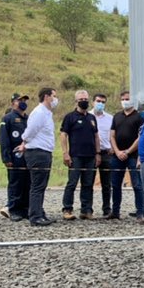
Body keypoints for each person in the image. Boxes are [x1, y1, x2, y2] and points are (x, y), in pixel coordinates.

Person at [16, 88, 59, 226]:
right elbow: (30, 131)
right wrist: (24, 142)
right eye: (54, 96)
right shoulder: (39, 112)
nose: (55, 99)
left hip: (44, 151)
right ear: (46, 97)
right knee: (37, 185)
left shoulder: (47, 113)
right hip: (37, 152)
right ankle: (35, 216)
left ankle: (39, 212)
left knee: (41, 185)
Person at [59, 89, 100, 220]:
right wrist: (65, 153)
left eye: (86, 100)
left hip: (90, 156)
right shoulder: (70, 117)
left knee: (88, 184)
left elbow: (96, 136)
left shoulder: (92, 118)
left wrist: (98, 153)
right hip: (75, 156)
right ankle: (67, 209)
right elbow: (63, 135)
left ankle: (86, 210)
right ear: (76, 101)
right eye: (81, 100)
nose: (84, 102)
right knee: (72, 183)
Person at [111, 90, 144, 220]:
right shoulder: (117, 116)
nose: (125, 101)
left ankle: (140, 211)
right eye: (123, 99)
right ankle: (115, 212)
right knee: (115, 184)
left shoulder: (139, 116)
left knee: (137, 184)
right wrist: (117, 151)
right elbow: (112, 135)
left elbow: (140, 136)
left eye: (128, 99)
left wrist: (128, 151)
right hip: (117, 155)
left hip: (133, 155)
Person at [0, 92, 31, 221]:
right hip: (14, 155)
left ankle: (25, 209)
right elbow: (4, 140)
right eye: (19, 100)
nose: (23, 102)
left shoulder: (29, 118)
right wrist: (6, 158)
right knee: (15, 183)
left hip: (28, 156)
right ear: (13, 103)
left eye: (24, 100)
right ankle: (14, 210)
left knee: (27, 182)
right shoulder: (7, 118)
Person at [91, 93, 115, 218]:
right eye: (98, 101)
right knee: (88, 182)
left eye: (103, 102)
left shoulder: (110, 118)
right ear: (93, 102)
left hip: (107, 153)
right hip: (91, 154)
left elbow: (113, 135)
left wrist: (113, 148)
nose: (100, 104)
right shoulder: (88, 116)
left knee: (107, 184)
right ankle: (87, 209)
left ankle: (107, 209)